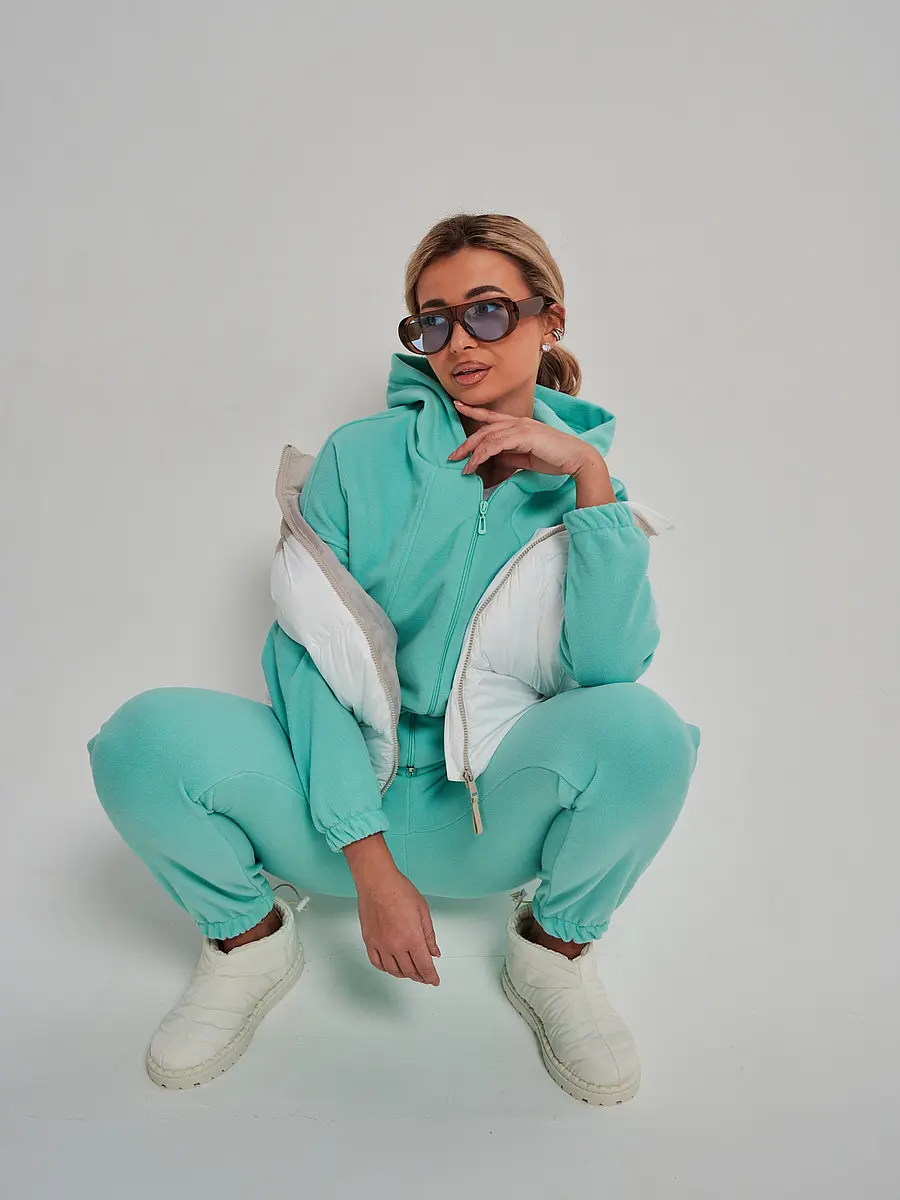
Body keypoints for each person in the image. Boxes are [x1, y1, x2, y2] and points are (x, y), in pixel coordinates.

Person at [87, 212, 701, 1106]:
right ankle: (247, 943)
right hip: (332, 814)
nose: (460, 342)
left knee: (647, 732)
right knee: (141, 739)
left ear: (550, 320)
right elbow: (305, 654)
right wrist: (369, 863)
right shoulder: (357, 457)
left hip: (488, 816)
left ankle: (554, 952)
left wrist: (588, 481)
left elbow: (608, 675)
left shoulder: (586, 491)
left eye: (487, 311)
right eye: (433, 321)